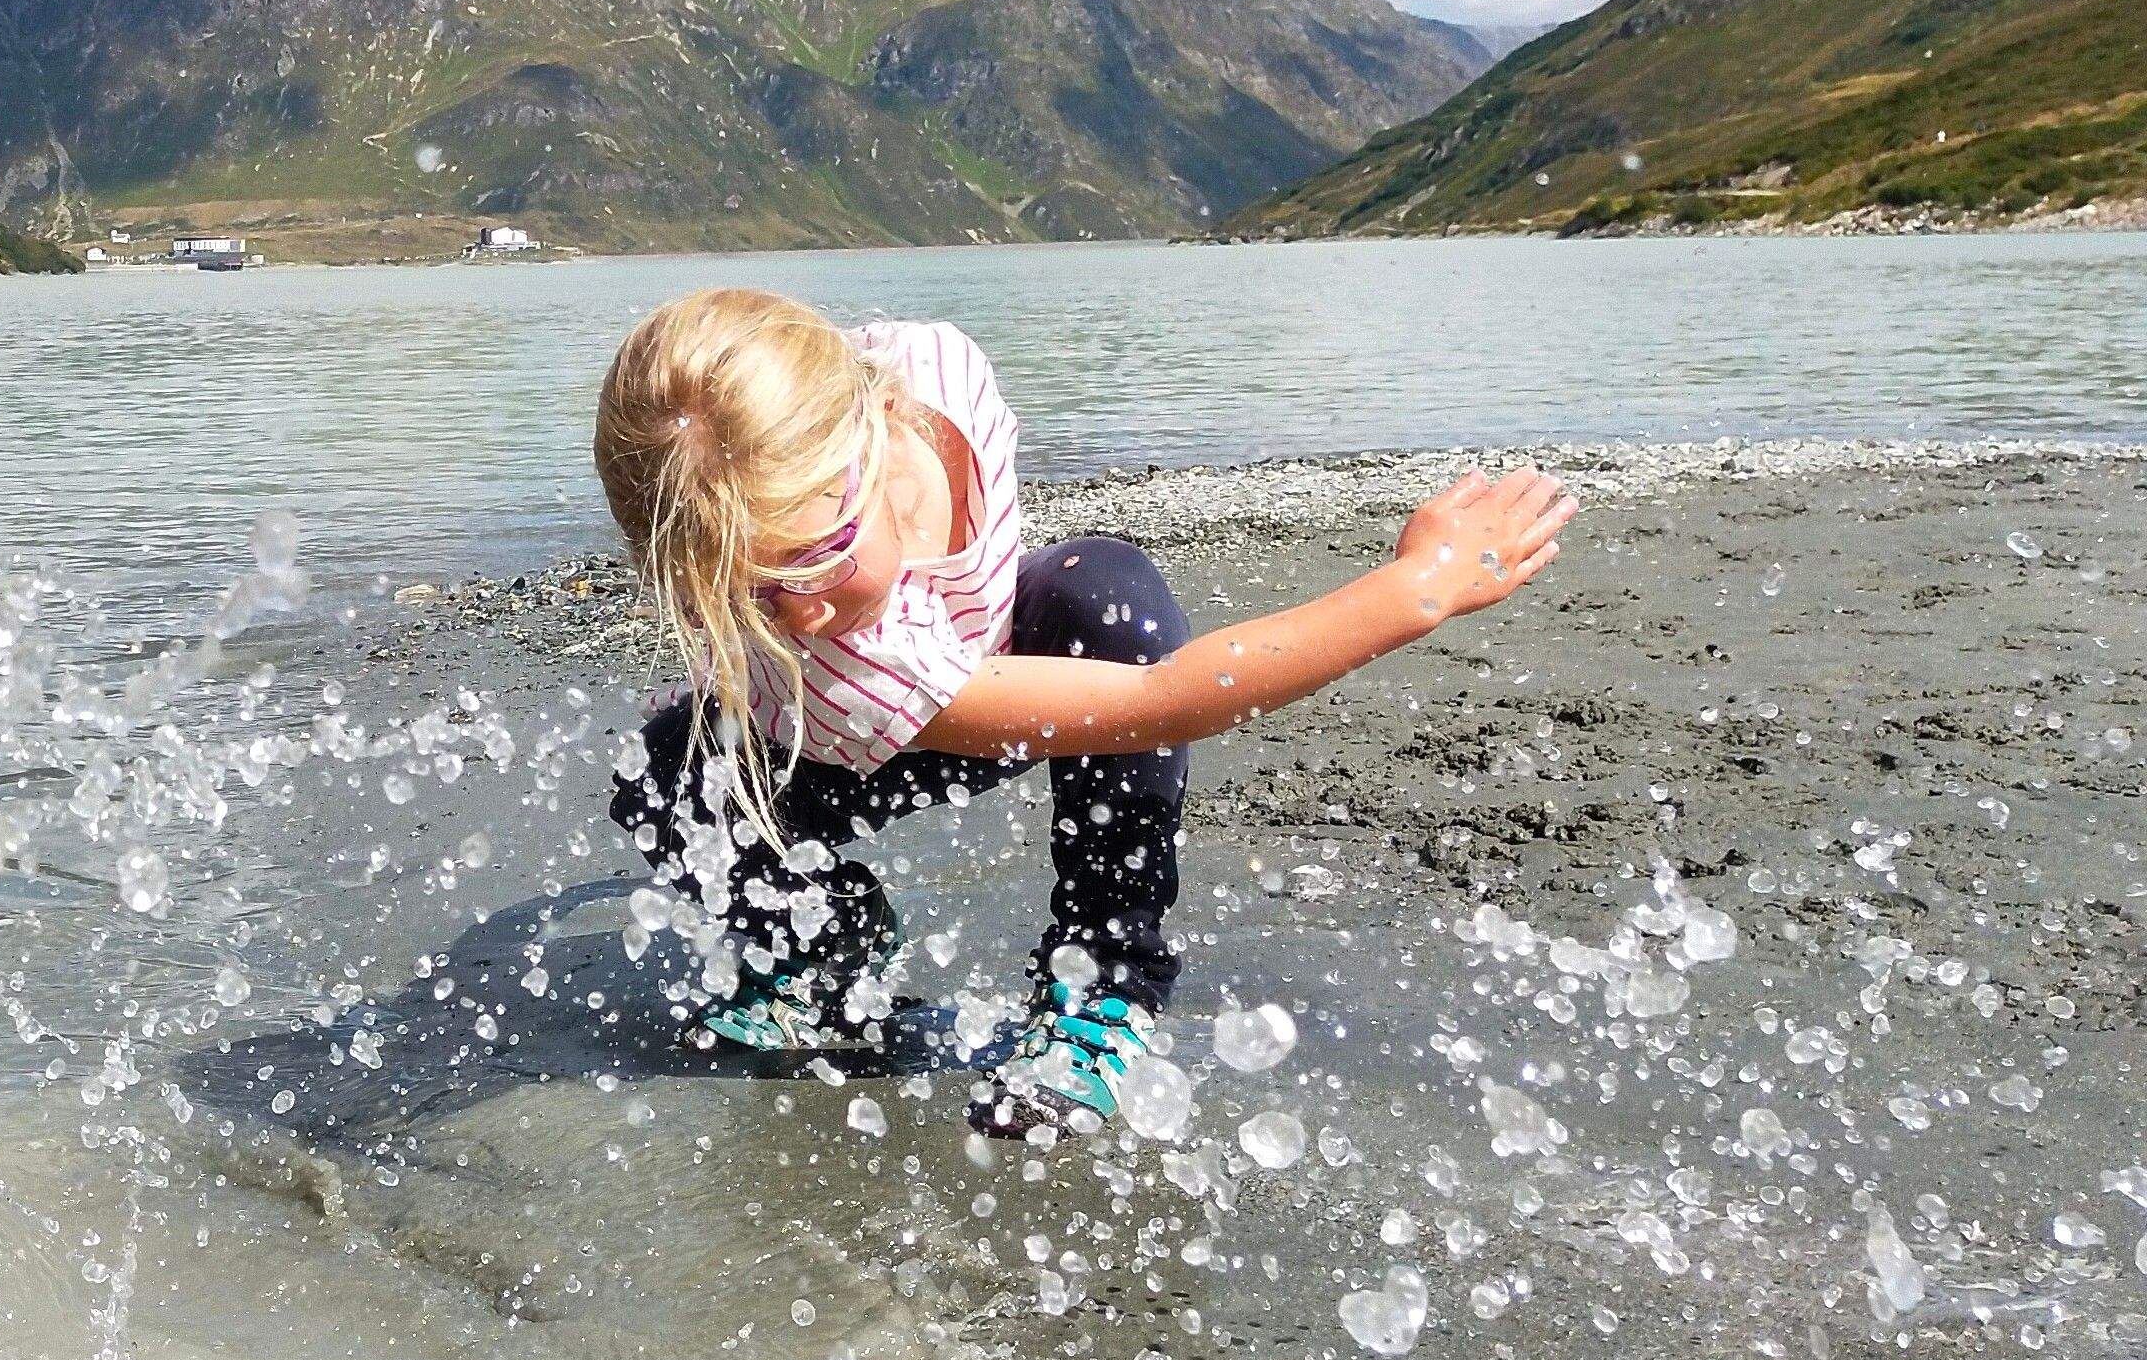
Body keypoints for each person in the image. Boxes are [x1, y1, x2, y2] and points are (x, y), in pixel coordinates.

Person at [592, 287, 1575, 1139]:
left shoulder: (930, 365)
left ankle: (1100, 988)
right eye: (740, 593)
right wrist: (1416, 588)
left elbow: (1145, 680)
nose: (795, 611)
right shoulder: (849, 652)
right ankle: (824, 942)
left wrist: (1428, 580)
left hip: (984, 651)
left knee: (1101, 591)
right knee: (659, 778)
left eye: (813, 557)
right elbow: (1158, 705)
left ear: (870, 421)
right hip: (836, 744)